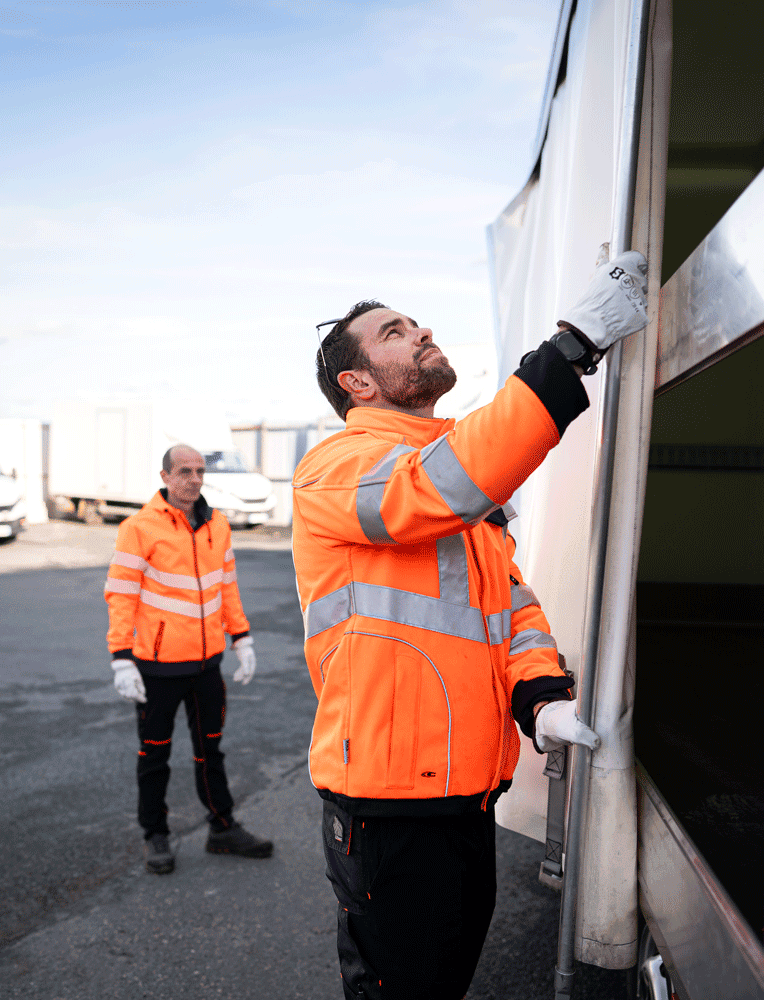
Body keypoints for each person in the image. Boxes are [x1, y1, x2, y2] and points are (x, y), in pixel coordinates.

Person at [292, 250, 648, 999]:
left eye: (416, 322)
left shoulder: (452, 473)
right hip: (387, 807)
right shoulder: (336, 467)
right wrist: (570, 349)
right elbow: (434, 488)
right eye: (394, 332)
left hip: (464, 795)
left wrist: (540, 696)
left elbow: (510, 607)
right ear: (357, 383)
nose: (421, 331)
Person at [104, 443, 274, 874]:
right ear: (165, 476)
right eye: (184, 471)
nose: (194, 479)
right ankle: (155, 835)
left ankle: (222, 827)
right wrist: (121, 657)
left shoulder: (218, 524)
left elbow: (227, 585)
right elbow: (121, 595)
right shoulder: (138, 528)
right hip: (157, 668)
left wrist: (242, 637)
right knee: (154, 757)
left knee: (210, 752)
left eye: (199, 471)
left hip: (206, 666)